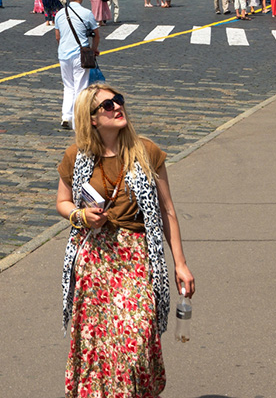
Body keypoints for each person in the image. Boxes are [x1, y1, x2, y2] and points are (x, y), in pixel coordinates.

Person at [57, 84, 194, 397]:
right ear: (91, 119)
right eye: (107, 105)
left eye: (118, 101)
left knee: (135, 343)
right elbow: (63, 202)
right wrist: (81, 217)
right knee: (96, 346)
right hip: (93, 257)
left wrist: (181, 265)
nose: (117, 107)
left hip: (135, 256)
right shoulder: (77, 156)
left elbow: (167, 211)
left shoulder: (146, 151)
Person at [56, 0, 99, 131]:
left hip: (63, 54)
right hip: (80, 54)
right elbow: (96, 34)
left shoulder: (60, 13)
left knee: (68, 86)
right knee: (81, 87)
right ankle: (77, 119)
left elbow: (58, 36)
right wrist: (94, 50)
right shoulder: (86, 13)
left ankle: (66, 116)